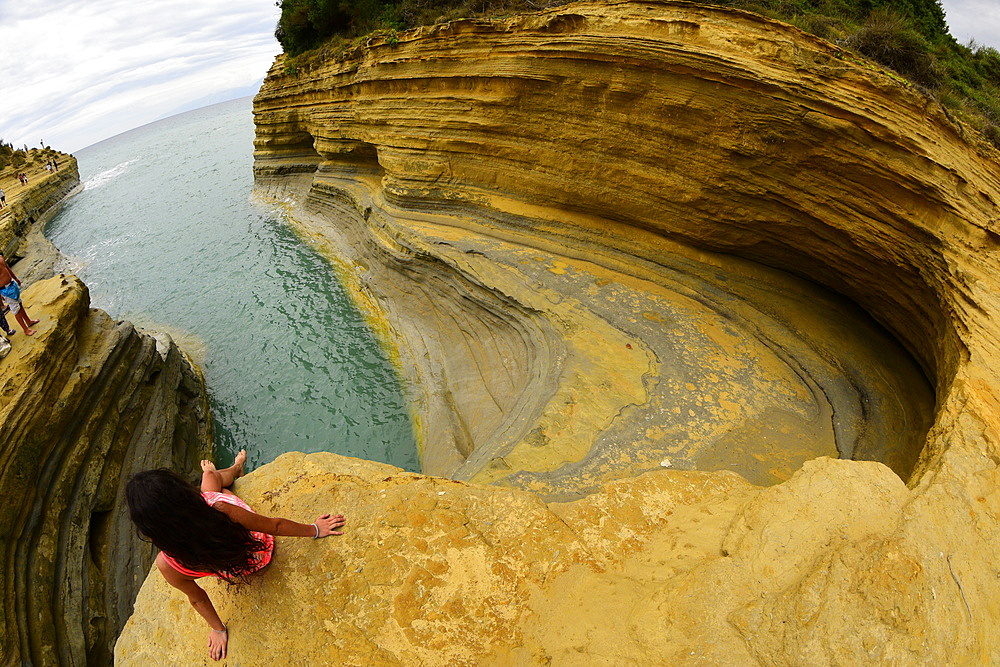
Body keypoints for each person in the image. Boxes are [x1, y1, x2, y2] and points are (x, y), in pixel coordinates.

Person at [125, 450, 346, 661]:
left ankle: (233, 469)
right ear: (181, 492)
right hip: (261, 550)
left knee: (211, 482)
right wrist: (315, 529)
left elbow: (197, 598)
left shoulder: (168, 563)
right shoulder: (220, 510)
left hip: (243, 567)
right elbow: (275, 526)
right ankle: (236, 468)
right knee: (210, 478)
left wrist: (218, 629)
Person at [0, 252, 38, 335]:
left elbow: (8, 269)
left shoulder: (0, 257)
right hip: (5, 290)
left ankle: (28, 321)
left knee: (20, 304)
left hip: (12, 285)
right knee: (16, 310)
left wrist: (16, 278)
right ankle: (25, 330)